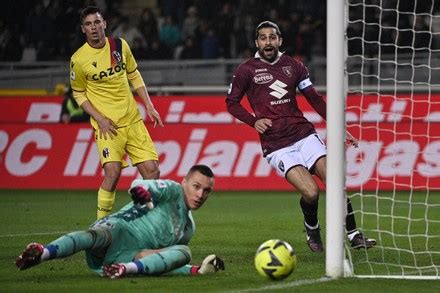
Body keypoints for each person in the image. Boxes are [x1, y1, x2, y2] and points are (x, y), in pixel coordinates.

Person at [225, 21, 376, 252]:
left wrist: (340, 127)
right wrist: (253, 121)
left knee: (335, 182)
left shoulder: (294, 66)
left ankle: (354, 235)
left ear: (280, 40)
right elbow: (232, 103)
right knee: (311, 191)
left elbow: (314, 98)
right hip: (276, 144)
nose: (268, 42)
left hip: (304, 134)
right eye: (263, 38)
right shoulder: (247, 70)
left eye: (272, 37)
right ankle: (312, 227)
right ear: (257, 42)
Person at [15, 165, 225, 278]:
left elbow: (164, 263)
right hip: (118, 230)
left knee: (183, 253)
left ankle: (124, 270)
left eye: (206, 190)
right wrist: (140, 191)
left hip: (130, 257)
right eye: (196, 186)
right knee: (97, 236)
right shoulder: (172, 190)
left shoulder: (188, 228)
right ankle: (42, 253)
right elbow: (142, 184)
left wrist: (195, 270)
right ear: (184, 182)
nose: (200, 194)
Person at [69, 6, 164, 219]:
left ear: (104, 24)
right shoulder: (79, 59)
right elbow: (79, 94)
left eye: (96, 22)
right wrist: (100, 119)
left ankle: (144, 219)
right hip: (107, 126)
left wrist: (148, 105)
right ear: (83, 29)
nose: (93, 27)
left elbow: (134, 74)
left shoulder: (119, 46)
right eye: (88, 24)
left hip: (132, 120)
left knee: (152, 171)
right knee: (112, 173)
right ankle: (100, 226)